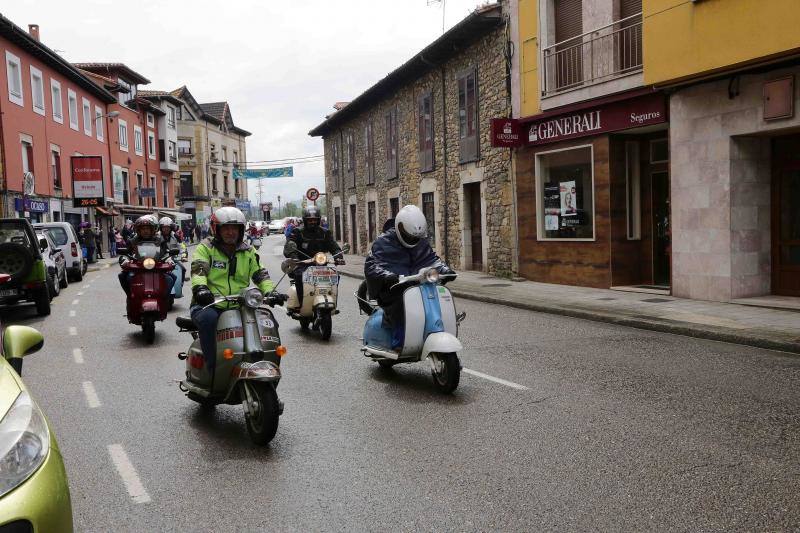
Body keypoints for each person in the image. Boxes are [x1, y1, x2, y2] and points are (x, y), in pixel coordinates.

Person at [190, 207, 281, 371]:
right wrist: (201, 289)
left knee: (269, 321)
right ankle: (213, 368)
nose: (230, 232)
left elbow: (260, 273)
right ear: (216, 229)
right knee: (208, 320)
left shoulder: (248, 250)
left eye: (235, 228)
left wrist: (270, 292)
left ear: (241, 230)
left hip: (240, 305)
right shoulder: (206, 248)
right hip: (210, 303)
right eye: (226, 228)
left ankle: (269, 364)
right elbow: (198, 270)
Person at [364, 205, 455, 348]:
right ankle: (399, 339)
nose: (413, 240)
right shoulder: (383, 242)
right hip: (393, 287)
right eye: (409, 236)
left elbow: (431, 259)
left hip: (417, 285)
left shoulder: (420, 242)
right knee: (402, 303)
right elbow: (372, 264)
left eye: (416, 237)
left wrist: (445, 270)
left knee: (437, 296)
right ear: (400, 228)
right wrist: (388, 276)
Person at [283, 206, 343, 308]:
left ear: (318, 220)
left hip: (321, 264)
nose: (312, 222)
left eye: (315, 220)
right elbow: (290, 246)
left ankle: (333, 302)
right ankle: (302, 304)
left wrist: (338, 256)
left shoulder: (325, 233)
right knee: (298, 275)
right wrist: (294, 258)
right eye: (310, 220)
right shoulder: (297, 232)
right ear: (305, 220)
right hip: (302, 264)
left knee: (334, 276)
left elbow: (334, 246)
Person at [118, 215, 175, 296]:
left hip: (157, 268)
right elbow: (126, 253)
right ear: (138, 230)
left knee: (170, 278)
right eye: (143, 229)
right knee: (124, 276)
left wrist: (169, 260)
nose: (145, 231)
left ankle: (165, 297)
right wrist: (125, 260)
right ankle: (131, 296)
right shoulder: (133, 241)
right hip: (137, 269)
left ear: (152, 229)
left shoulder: (159, 240)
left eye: (148, 228)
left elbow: (165, 253)